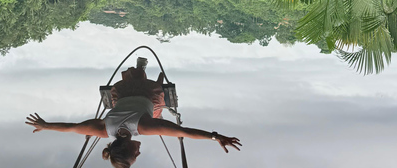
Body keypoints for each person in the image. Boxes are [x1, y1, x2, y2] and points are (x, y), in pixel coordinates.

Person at [25, 63, 242, 168]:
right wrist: (46, 125)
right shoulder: (103, 130)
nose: (139, 154)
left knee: (159, 110)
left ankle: (149, 76)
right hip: (123, 92)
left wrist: (216, 137)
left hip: (149, 96)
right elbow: (71, 127)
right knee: (137, 89)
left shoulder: (145, 127)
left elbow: (184, 132)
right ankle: (140, 70)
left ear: (128, 146)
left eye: (134, 155)